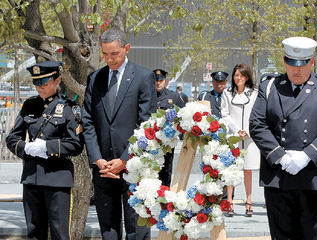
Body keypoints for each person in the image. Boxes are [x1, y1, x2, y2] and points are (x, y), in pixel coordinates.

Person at [249, 36, 317, 239]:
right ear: (285, 61)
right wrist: (280, 155)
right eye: (292, 64)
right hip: (279, 175)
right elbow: (257, 124)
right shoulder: (270, 87)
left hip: (314, 175)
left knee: (311, 235)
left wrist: (308, 155)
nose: (296, 70)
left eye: (302, 65)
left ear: (311, 62)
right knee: (281, 235)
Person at [82, 28, 156, 240]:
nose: (110, 59)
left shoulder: (143, 77)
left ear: (126, 48)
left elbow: (147, 125)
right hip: (103, 168)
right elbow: (88, 121)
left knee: (136, 230)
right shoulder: (95, 78)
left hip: (133, 166)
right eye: (105, 54)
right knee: (108, 229)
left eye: (114, 53)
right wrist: (97, 158)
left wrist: (124, 160)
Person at [6, 61, 84, 240]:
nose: (39, 88)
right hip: (32, 177)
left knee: (59, 232)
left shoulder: (68, 108)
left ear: (57, 81)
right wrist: (26, 148)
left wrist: (47, 147)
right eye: (36, 84)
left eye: (44, 84)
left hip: (57, 180)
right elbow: (12, 138)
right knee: (34, 231)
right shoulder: (30, 105)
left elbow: (76, 144)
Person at [221, 64, 260, 217]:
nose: (239, 78)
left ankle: (249, 201)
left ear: (247, 77)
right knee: (232, 170)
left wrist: (248, 130)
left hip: (249, 137)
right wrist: (237, 130)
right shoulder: (227, 93)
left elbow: (257, 114)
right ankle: (229, 201)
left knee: (248, 170)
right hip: (234, 136)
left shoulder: (255, 93)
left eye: (242, 75)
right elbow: (225, 114)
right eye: (236, 75)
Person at [153, 69, 185, 186]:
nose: (158, 83)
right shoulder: (147, 96)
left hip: (167, 142)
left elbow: (183, 115)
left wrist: (179, 134)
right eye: (156, 81)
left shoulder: (174, 97)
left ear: (165, 81)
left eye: (161, 80)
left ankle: (165, 197)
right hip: (151, 141)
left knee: (166, 172)